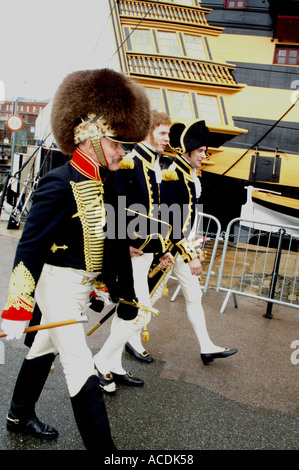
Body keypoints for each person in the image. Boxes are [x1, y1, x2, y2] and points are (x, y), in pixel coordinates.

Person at [0, 68, 151, 450]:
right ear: (90, 136)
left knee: (44, 346)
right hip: (56, 285)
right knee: (79, 365)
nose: (124, 152)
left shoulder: (109, 181)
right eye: (118, 143)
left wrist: (116, 288)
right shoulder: (58, 182)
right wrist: (18, 307)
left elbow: (110, 242)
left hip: (82, 286)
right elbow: (30, 247)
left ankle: (18, 413)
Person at [126, 119, 238, 366]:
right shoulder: (173, 175)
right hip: (166, 251)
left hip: (182, 250)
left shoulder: (190, 175)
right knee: (149, 298)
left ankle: (207, 346)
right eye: (201, 151)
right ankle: (130, 340)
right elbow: (170, 223)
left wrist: (194, 248)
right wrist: (191, 255)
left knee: (193, 295)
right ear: (187, 151)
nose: (204, 155)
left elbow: (189, 222)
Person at [93, 110, 175, 393]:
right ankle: (101, 361)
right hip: (132, 251)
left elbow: (156, 212)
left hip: (149, 248)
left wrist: (164, 247)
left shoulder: (155, 164)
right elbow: (114, 204)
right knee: (136, 312)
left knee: (129, 311)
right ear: (148, 132)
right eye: (163, 132)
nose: (167, 138)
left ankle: (114, 365)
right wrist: (122, 242)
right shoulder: (131, 162)